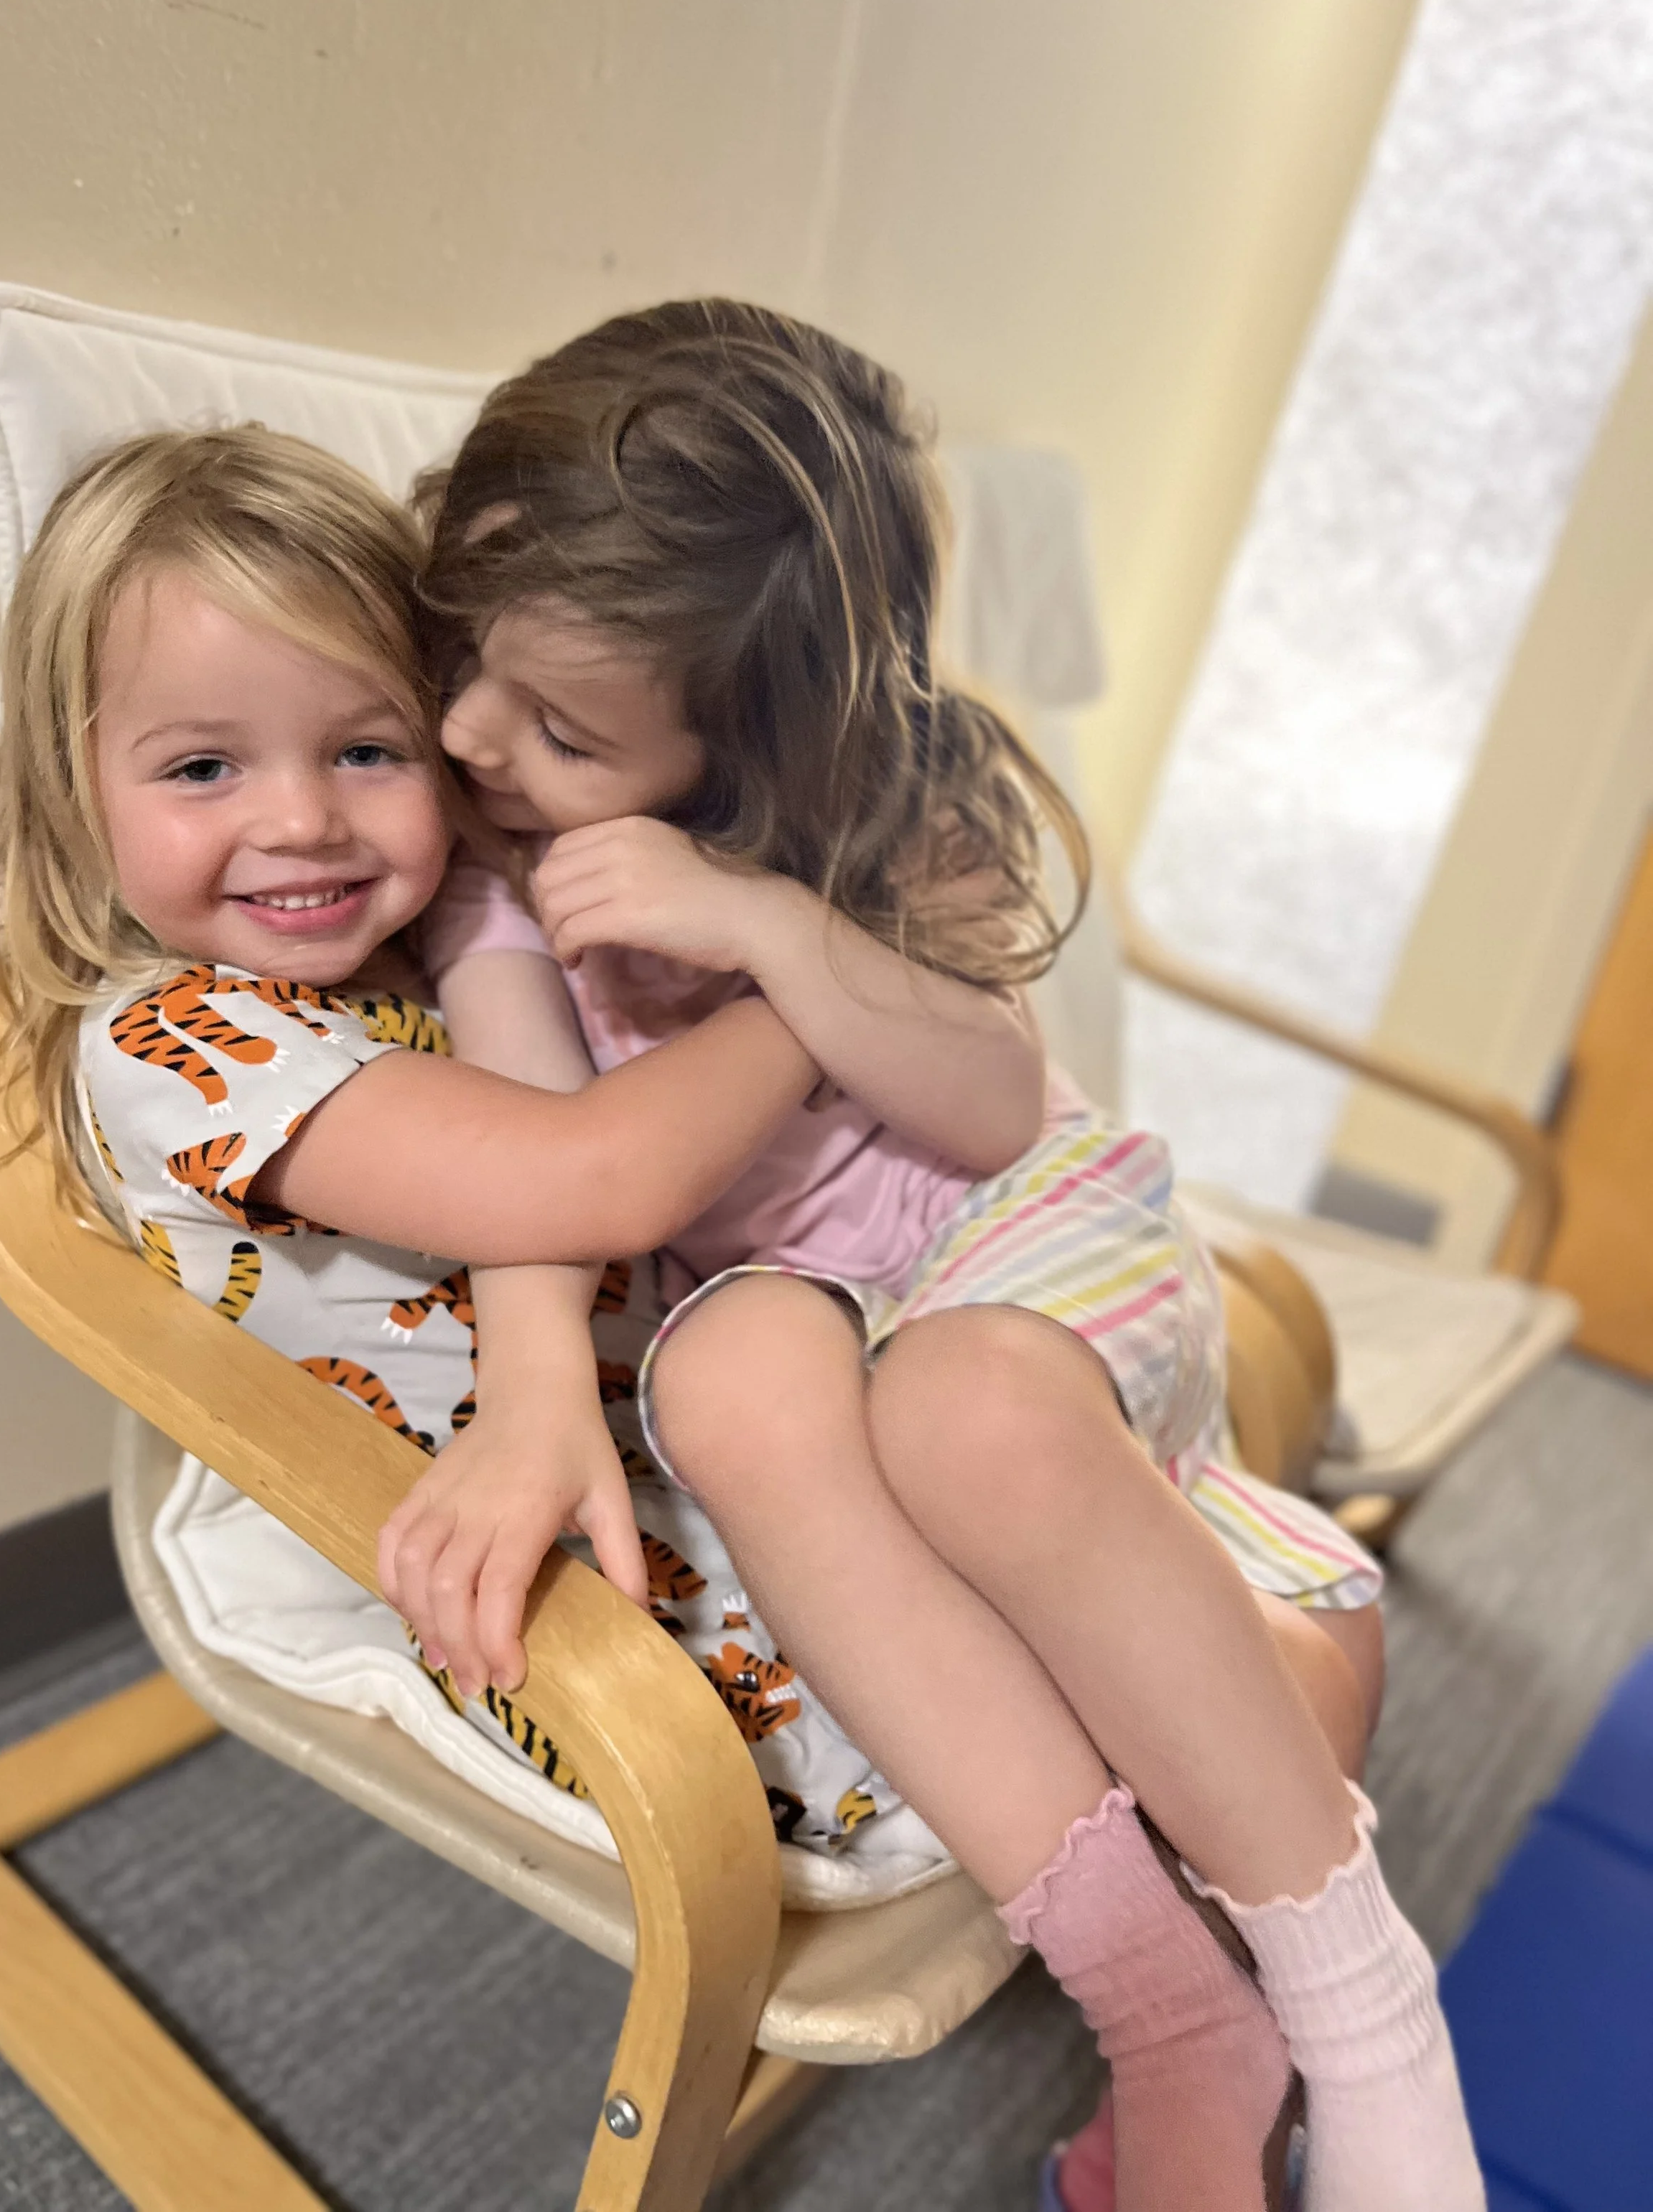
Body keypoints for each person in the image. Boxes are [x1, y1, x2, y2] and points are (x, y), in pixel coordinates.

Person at [394, 301, 1484, 2212]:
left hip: (1025, 1239)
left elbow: (989, 1107)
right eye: (461, 660)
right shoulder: (498, 872)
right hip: (814, 1309)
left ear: (756, 742)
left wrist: (755, 920)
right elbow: (553, 1171)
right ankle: (1176, 2025)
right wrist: (539, 1382)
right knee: (729, 1376)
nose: (472, 737)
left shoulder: (894, 814)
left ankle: (1360, 2013)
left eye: (563, 729)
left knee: (980, 1420)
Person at [0, 421, 819, 1761]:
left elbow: (559, 1140)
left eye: (368, 750)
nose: (304, 820)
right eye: (203, 767)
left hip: (700, 1441)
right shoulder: (176, 1043)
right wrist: (827, 974)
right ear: (75, 792)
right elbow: (593, 1174)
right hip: (563, 1582)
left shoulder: (435, 950)